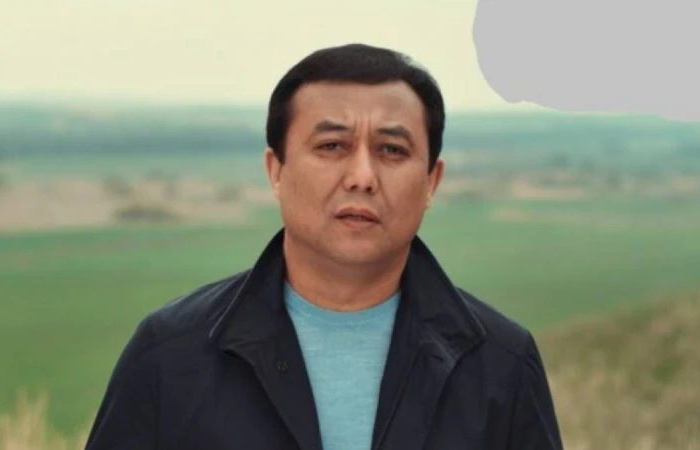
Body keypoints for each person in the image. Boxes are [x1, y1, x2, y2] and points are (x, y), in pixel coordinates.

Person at [84, 43, 564, 450]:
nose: (362, 177)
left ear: (431, 182)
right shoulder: (171, 356)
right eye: (332, 146)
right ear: (276, 170)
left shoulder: (500, 365)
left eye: (392, 150)